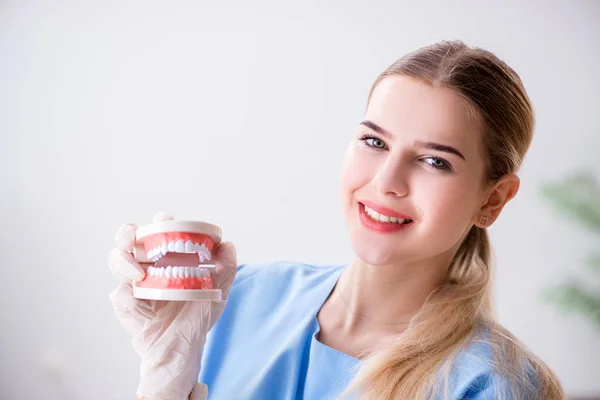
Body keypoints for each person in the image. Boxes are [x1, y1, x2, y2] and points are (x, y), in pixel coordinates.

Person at [108, 40, 565, 400]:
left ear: (494, 199)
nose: (387, 181)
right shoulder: (236, 300)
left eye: (434, 162)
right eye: (374, 142)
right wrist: (161, 385)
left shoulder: (495, 385)